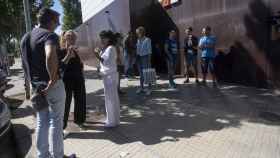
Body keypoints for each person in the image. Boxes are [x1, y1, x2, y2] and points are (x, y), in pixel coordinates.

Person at [20, 8, 75, 158]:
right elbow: (50, 55)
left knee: (41, 121)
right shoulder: (49, 35)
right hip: (52, 87)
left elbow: (25, 64)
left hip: (37, 88)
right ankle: (58, 155)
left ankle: (42, 155)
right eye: (57, 22)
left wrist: (31, 84)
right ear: (50, 21)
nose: (58, 24)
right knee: (56, 123)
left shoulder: (26, 37)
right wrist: (52, 79)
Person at [60, 30, 86, 135]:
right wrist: (68, 53)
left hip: (78, 78)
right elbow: (60, 66)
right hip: (66, 80)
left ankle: (80, 121)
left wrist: (82, 74)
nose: (72, 38)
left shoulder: (77, 50)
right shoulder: (61, 50)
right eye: (69, 36)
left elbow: (81, 64)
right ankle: (62, 126)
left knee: (80, 99)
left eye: (73, 37)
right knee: (66, 103)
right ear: (64, 38)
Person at [94, 30, 120, 128]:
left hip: (110, 76)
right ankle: (113, 119)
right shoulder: (106, 48)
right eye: (101, 38)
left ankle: (112, 121)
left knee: (110, 99)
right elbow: (103, 62)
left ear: (108, 38)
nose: (101, 40)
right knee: (111, 98)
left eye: (103, 38)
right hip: (108, 76)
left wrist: (97, 55)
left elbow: (106, 61)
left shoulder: (110, 48)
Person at [136, 26, 152, 95]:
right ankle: (142, 88)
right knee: (141, 74)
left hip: (145, 57)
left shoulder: (147, 40)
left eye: (138, 32)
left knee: (147, 73)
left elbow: (149, 51)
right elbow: (137, 49)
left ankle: (149, 89)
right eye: (137, 33)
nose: (137, 34)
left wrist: (149, 60)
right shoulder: (138, 40)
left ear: (142, 32)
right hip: (139, 58)